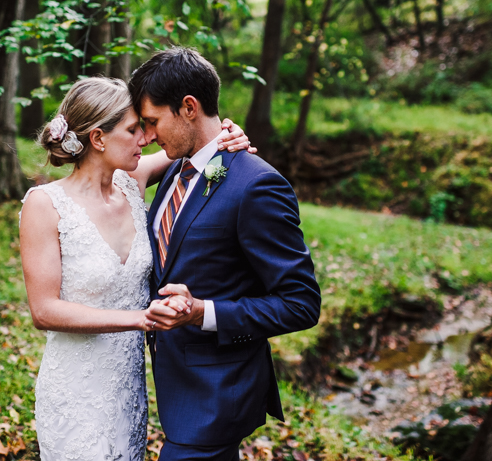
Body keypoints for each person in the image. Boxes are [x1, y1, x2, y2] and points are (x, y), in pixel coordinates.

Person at [18, 76, 253, 461]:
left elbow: (198, 142)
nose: (145, 139)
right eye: (133, 130)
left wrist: (231, 133)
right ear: (98, 139)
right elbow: (44, 311)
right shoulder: (44, 205)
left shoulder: (132, 182)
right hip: (77, 388)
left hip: (128, 388)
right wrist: (140, 318)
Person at [129, 47, 322, 461]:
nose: (146, 138)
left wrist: (203, 312)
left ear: (188, 108)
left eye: (151, 122)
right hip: (174, 388)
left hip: (216, 397)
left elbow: (302, 304)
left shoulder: (257, 186)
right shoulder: (175, 169)